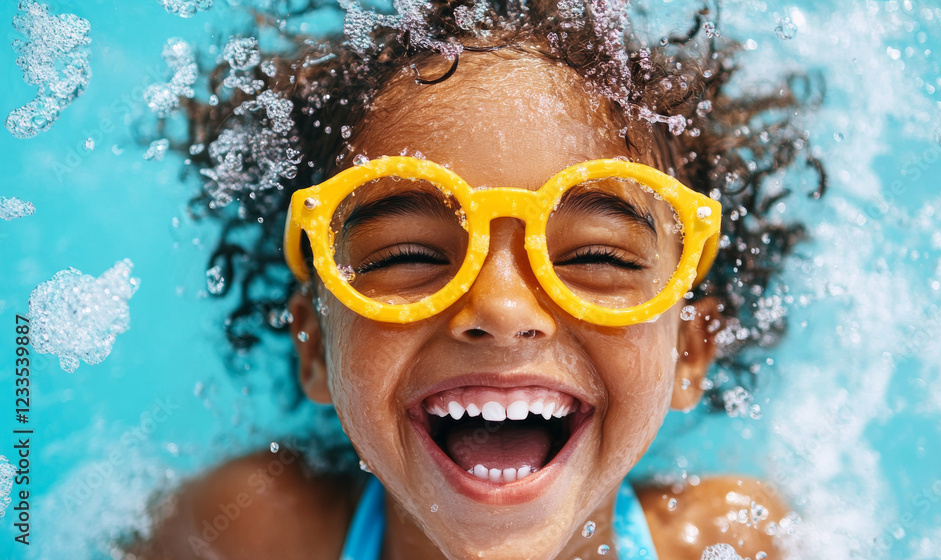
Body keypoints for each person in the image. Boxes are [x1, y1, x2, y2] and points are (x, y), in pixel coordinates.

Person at [131, 1, 822, 558]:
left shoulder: (731, 540)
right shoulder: (251, 533)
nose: (500, 306)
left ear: (689, 352)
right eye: (407, 255)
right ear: (313, 344)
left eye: (595, 259)